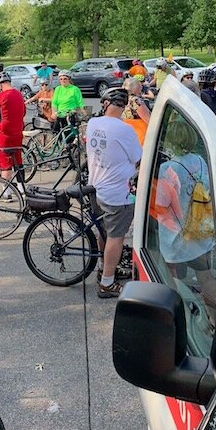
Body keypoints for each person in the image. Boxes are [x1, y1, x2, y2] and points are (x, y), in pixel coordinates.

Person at [84, 88, 142, 299]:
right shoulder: (124, 130)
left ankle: (105, 267)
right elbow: (138, 157)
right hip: (119, 192)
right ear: (124, 106)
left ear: (106, 104)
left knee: (104, 232)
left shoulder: (93, 124)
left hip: (97, 187)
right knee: (116, 237)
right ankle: (107, 283)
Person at [0, 71, 26, 181]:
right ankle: (21, 189)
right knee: (18, 161)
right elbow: (23, 112)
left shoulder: (1, 95)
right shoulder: (18, 94)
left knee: (5, 164)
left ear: (0, 85)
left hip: (4, 134)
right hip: (18, 133)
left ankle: (6, 192)